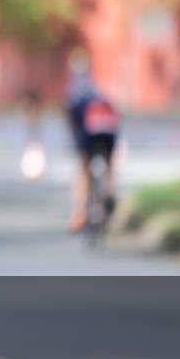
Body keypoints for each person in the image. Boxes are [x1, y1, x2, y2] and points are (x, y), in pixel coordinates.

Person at [64, 50, 119, 232]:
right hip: (107, 130)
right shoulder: (97, 89)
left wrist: (73, 140)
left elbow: (72, 120)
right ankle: (110, 190)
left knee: (82, 169)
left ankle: (79, 213)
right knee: (110, 162)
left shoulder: (73, 92)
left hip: (87, 132)